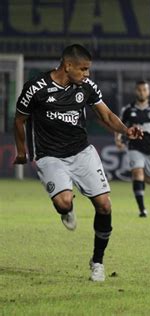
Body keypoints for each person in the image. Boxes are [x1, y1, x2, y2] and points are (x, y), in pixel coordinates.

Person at [13, 44, 143, 282]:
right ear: (68, 65)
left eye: (88, 69)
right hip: (49, 155)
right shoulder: (36, 88)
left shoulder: (85, 87)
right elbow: (20, 119)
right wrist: (22, 151)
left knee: (104, 205)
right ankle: (68, 210)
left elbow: (106, 115)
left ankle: (98, 262)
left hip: (81, 152)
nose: (87, 74)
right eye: (83, 69)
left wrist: (126, 131)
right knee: (63, 203)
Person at [115, 80, 150, 217]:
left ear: (149, 91)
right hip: (134, 146)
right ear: (136, 91)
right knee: (137, 174)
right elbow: (118, 124)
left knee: (149, 180)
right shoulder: (128, 109)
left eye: (144, 90)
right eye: (139, 90)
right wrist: (117, 139)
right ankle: (142, 209)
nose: (142, 92)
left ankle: (145, 182)